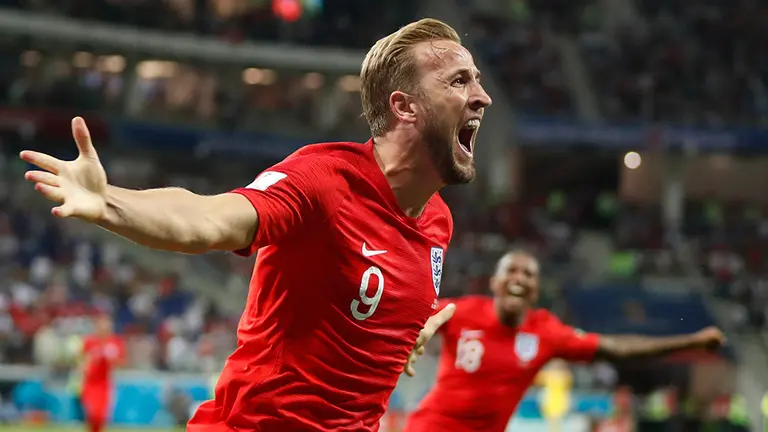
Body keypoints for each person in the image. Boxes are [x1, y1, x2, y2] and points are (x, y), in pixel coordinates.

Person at [20, 18, 491, 431]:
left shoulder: (437, 222)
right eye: (459, 81)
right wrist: (109, 202)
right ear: (405, 107)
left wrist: (404, 329)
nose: (482, 97)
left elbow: (359, 306)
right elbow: (208, 217)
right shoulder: (324, 180)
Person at [404, 250, 726, 432]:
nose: (519, 278)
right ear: (495, 282)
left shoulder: (546, 332)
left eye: (528, 274)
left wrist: (690, 342)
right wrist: (408, 341)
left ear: (536, 289)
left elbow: (614, 348)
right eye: (511, 271)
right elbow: (409, 313)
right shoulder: (461, 311)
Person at [79, 314, 125, 432]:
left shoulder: (115, 342)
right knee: (92, 415)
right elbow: (83, 361)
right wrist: (88, 365)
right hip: (90, 383)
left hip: (104, 384)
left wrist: (111, 359)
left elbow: (121, 363)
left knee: (100, 416)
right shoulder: (90, 342)